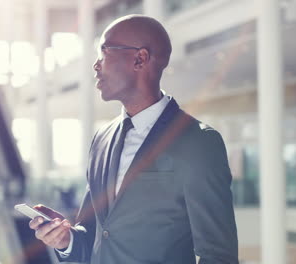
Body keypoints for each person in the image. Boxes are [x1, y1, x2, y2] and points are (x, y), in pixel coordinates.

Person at [29, 14, 238, 264]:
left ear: (140, 59)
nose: (96, 65)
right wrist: (65, 240)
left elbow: (218, 256)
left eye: (104, 52)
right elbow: (96, 238)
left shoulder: (199, 143)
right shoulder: (102, 139)